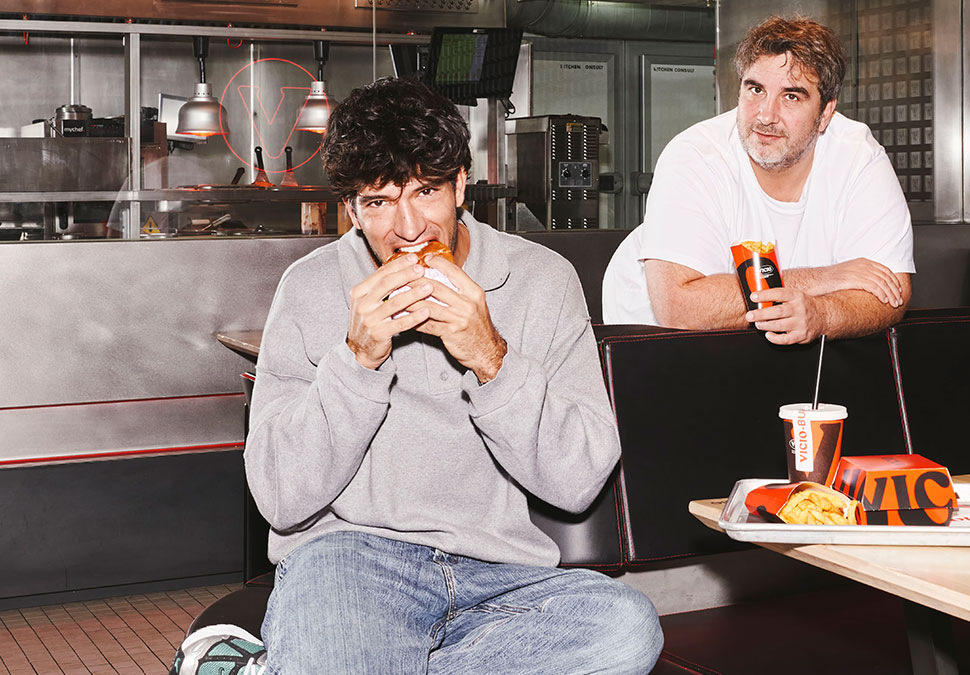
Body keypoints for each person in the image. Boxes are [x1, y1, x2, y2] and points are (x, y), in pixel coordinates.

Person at [228, 77, 661, 674]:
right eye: (378, 202)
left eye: (426, 191)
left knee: (625, 628)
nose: (408, 228)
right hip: (349, 562)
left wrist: (491, 358)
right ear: (351, 208)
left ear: (460, 184)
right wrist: (357, 360)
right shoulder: (309, 287)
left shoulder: (542, 279)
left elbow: (579, 481)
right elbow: (280, 499)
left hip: (503, 575)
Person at [603, 15, 915, 345]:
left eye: (791, 96)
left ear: (825, 113)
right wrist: (823, 279)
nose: (766, 116)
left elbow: (891, 292)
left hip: (772, 348)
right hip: (653, 344)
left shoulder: (858, 155)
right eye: (756, 90)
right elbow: (680, 307)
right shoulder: (695, 156)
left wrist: (820, 314)